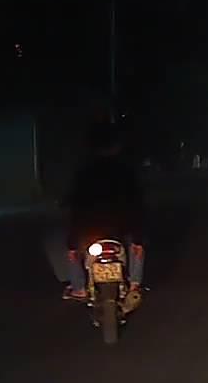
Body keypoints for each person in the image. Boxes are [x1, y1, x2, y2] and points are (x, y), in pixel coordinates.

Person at [62, 121, 146, 309]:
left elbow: (75, 204)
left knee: (73, 252)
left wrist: (72, 244)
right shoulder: (125, 171)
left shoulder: (83, 173)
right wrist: (138, 240)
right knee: (136, 248)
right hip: (121, 226)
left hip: (89, 227)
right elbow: (136, 203)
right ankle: (134, 286)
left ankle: (79, 289)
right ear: (116, 146)